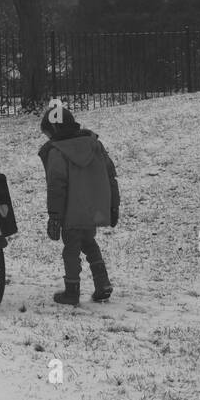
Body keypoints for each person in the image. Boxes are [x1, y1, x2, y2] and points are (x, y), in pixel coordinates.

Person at [40, 104, 120, 305]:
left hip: (70, 211)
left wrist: (55, 216)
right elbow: (111, 175)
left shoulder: (57, 152)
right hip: (93, 209)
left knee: (71, 250)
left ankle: (72, 290)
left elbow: (56, 187)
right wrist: (113, 206)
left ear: (55, 131)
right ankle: (102, 283)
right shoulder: (94, 145)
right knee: (90, 244)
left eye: (48, 133)